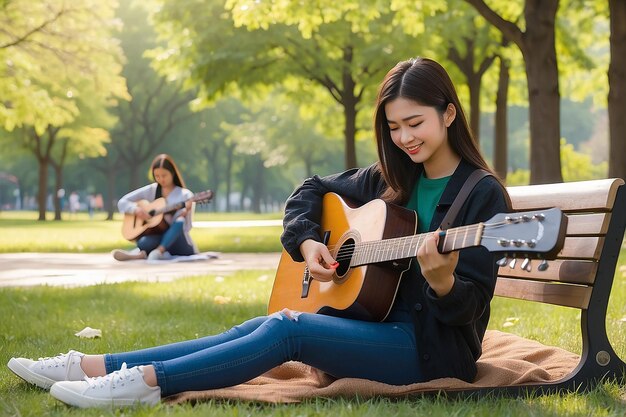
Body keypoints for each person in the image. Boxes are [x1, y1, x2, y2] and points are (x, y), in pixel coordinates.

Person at [6, 57, 510, 408]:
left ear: (449, 113)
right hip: (374, 326)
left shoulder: (481, 196)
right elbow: (309, 190)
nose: (404, 139)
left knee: (287, 328)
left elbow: (470, 311)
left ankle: (143, 383)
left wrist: (442, 282)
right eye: (394, 127)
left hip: (429, 350)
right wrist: (310, 241)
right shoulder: (390, 178)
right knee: (251, 328)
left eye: (414, 123)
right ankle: (92, 366)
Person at [111, 154, 199, 261]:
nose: (161, 179)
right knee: (143, 242)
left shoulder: (185, 195)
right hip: (158, 237)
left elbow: (186, 228)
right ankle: (144, 254)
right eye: (157, 176)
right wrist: (136, 209)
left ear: (173, 173)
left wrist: (185, 213)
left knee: (179, 221)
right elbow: (123, 202)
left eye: (164, 175)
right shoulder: (152, 190)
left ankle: (157, 251)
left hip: (179, 242)